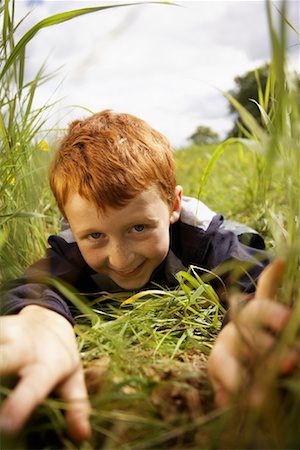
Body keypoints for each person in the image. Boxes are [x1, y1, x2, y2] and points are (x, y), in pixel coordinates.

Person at [0, 110, 296, 442]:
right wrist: (42, 319)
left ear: (173, 205)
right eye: (95, 236)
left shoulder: (200, 238)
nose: (120, 258)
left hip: (216, 234)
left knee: (245, 239)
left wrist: (247, 316)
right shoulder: (72, 249)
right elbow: (37, 285)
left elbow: (251, 274)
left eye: (138, 228)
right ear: (71, 222)